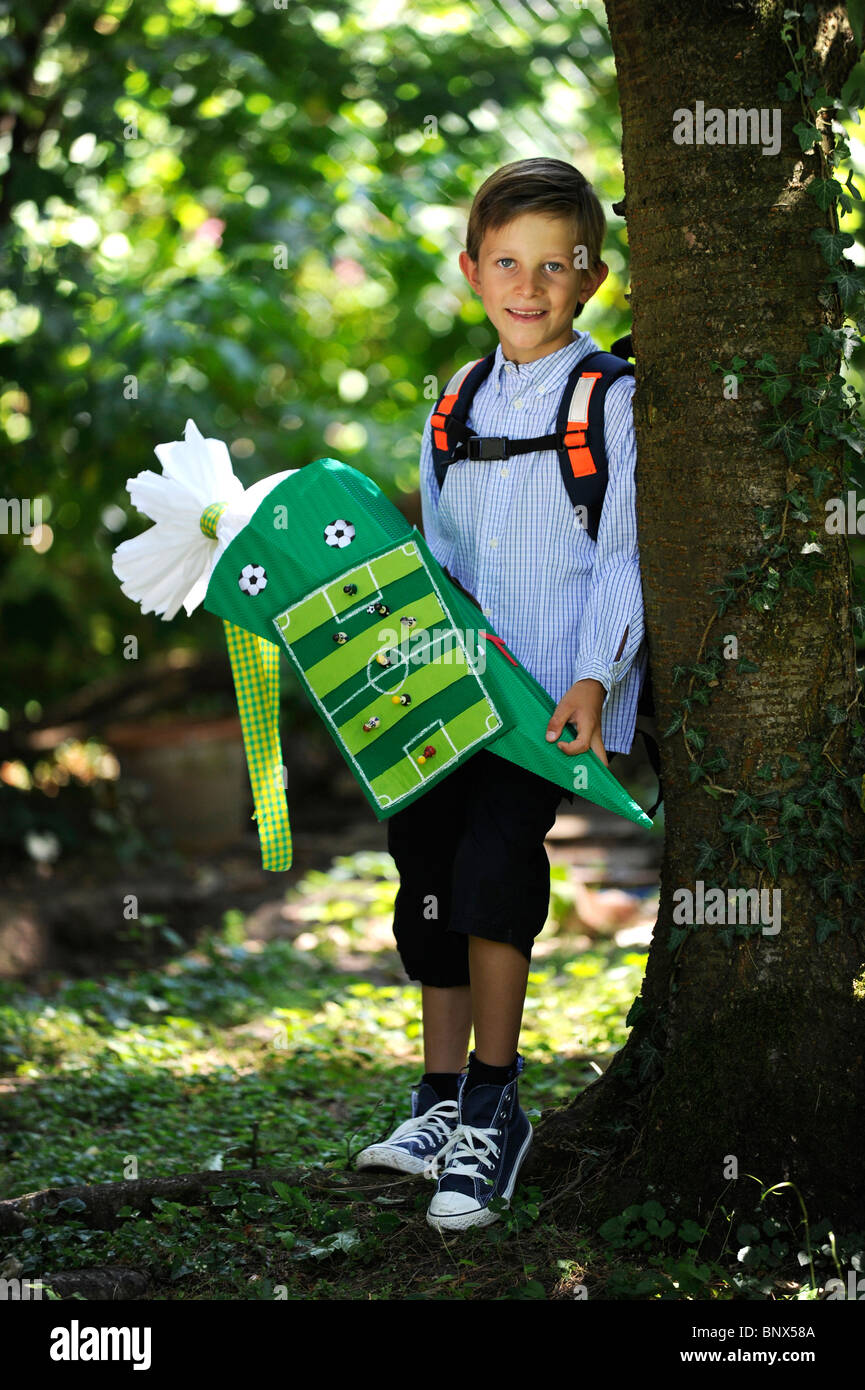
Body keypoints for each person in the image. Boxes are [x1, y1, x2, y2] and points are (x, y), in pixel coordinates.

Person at [355, 157, 646, 1232]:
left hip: (541, 702)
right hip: (446, 694)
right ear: (473, 270)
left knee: (490, 871)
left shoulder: (606, 399)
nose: (530, 287)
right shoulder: (453, 403)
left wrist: (590, 675)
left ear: (591, 279)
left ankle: (495, 1100)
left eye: (554, 268)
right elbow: (436, 556)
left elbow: (622, 555)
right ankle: (434, 1100)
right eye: (508, 264)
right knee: (421, 868)